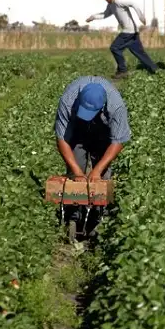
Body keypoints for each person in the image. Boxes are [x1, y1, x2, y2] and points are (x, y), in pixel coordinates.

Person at [54, 76, 130, 235]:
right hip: (77, 131)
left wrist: (97, 170)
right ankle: (74, 213)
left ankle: (99, 215)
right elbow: (62, 139)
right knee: (75, 173)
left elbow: (118, 141)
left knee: (102, 177)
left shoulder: (116, 106)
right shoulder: (68, 100)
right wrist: (77, 171)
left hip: (103, 133)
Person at [86, 0, 158, 78]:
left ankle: (122, 71)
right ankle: (155, 70)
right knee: (139, 52)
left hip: (128, 31)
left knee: (114, 48)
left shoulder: (119, 2)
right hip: (133, 32)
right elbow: (105, 14)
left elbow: (133, 3)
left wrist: (141, 17)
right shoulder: (111, 5)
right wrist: (93, 17)